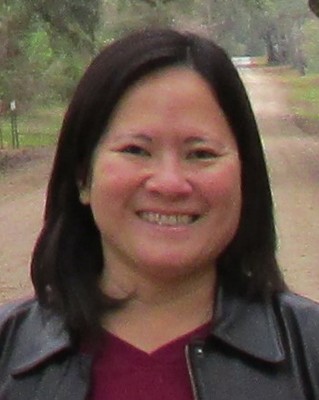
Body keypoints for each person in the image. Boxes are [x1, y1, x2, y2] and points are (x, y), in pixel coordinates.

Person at [0, 28, 318, 400]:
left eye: (201, 154)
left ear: (245, 178)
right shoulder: (10, 355)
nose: (169, 184)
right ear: (83, 176)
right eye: (136, 150)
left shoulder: (308, 354)